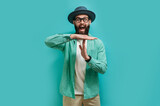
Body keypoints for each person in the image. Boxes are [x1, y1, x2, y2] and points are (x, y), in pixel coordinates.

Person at [45, 6, 107, 106]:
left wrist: (88, 59)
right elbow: (48, 41)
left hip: (91, 95)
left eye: (85, 19)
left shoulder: (97, 43)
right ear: (74, 22)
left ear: (89, 21)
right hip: (70, 94)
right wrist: (73, 36)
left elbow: (103, 69)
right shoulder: (67, 42)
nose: (82, 22)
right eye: (78, 20)